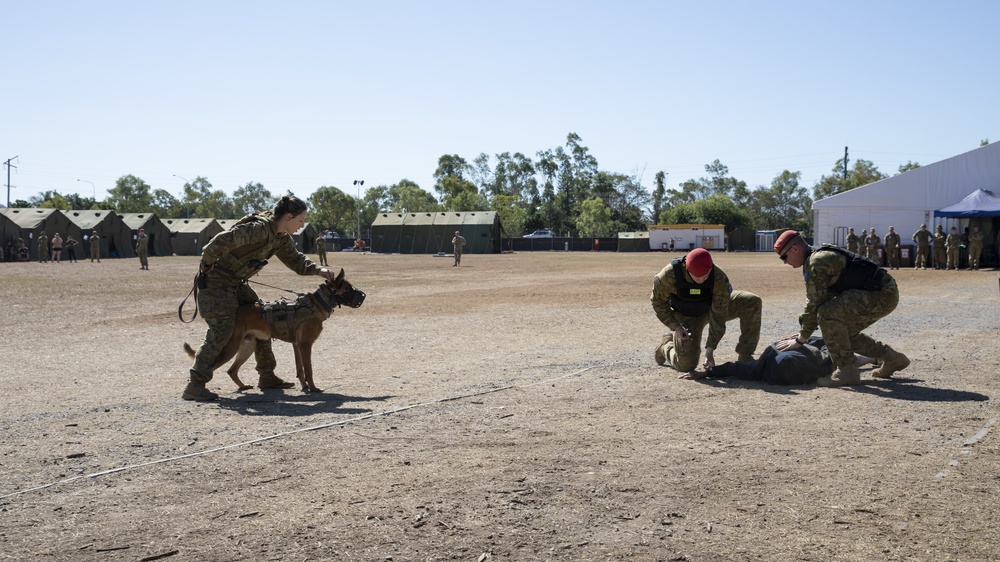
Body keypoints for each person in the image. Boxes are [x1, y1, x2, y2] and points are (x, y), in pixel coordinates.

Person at [184, 195, 339, 401]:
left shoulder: (281, 238)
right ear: (289, 216)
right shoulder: (258, 229)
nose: (302, 225)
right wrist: (206, 263)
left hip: (236, 282)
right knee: (222, 329)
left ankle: (266, 375)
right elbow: (220, 240)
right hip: (216, 283)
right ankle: (195, 384)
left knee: (265, 316)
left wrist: (318, 270)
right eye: (300, 220)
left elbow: (295, 261)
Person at [773, 229, 909, 386]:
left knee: (826, 314)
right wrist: (803, 331)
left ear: (795, 249)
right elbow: (820, 298)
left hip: (881, 294)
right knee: (842, 334)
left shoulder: (816, 262)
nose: (784, 261)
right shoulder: (817, 255)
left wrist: (801, 339)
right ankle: (894, 359)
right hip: (881, 292)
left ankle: (847, 371)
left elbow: (815, 303)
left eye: (784, 257)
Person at [651, 248, 761, 373]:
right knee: (686, 366)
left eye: (706, 275)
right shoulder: (670, 275)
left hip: (711, 309)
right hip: (686, 315)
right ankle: (666, 346)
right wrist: (676, 326)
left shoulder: (718, 277)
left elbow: (719, 314)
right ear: (687, 269)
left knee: (751, 301)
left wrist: (710, 350)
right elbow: (658, 302)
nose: (702, 279)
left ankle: (745, 355)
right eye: (697, 277)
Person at [679, 336, 877, 385]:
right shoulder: (766, 368)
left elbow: (737, 368)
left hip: (797, 348)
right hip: (796, 348)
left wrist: (708, 373)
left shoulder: (762, 370)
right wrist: (707, 373)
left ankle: (872, 357)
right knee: (841, 359)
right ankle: (872, 357)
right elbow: (737, 368)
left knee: (840, 358)